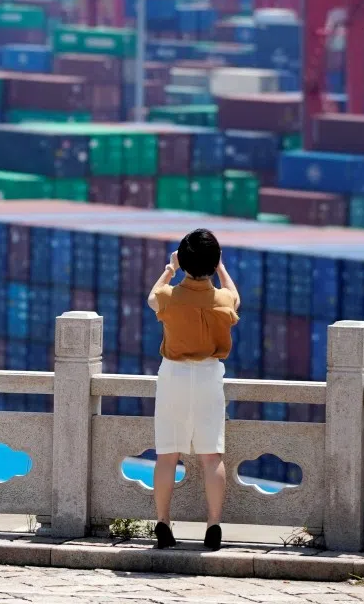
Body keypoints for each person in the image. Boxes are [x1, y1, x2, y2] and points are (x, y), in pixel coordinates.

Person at [146, 228, 239, 551]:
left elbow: (152, 296)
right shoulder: (223, 300)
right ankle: (213, 526)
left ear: (184, 262)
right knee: (211, 456)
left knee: (167, 454)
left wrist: (170, 268)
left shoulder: (169, 297)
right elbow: (234, 296)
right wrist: (221, 269)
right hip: (209, 376)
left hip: (173, 375)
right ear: (213, 263)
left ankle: (162, 522)